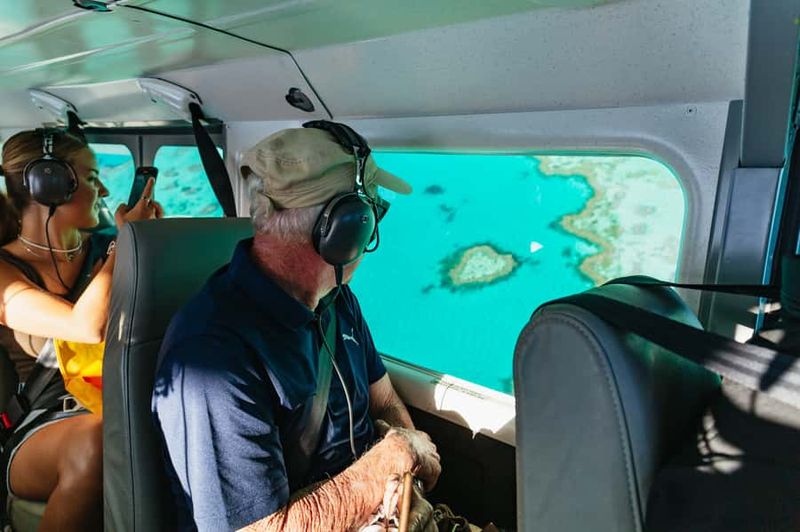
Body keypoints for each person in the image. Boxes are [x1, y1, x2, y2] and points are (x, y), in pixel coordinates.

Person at [152, 123, 442, 532]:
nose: (375, 224)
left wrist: (407, 477)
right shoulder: (211, 357)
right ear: (345, 229)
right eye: (373, 211)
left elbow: (385, 400)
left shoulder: (337, 300)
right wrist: (392, 458)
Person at [0, 129, 162, 531]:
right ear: (50, 185)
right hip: (44, 423)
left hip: (125, 404)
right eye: (91, 178)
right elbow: (85, 326)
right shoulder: (4, 272)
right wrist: (127, 247)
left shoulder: (108, 247)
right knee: (96, 440)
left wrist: (150, 243)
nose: (104, 190)